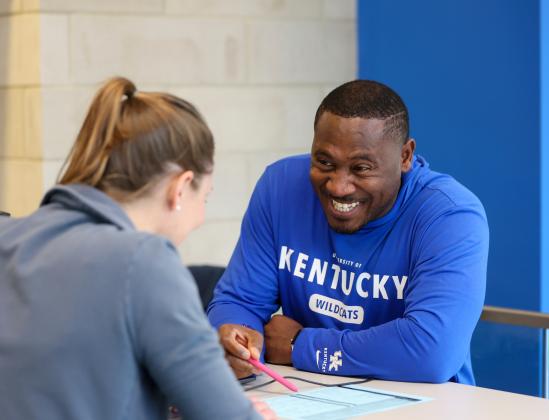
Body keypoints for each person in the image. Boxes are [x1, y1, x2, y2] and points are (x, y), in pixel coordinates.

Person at [0, 77, 274, 420]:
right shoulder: (144, 262)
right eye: (205, 197)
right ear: (181, 187)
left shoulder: (10, 235)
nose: (201, 217)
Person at [207, 79, 489, 385]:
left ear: (405, 157)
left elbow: (433, 351)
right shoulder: (280, 186)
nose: (338, 186)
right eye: (324, 162)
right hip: (307, 396)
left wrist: (300, 345)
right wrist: (239, 339)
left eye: (361, 168)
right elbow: (240, 302)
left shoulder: (449, 214)